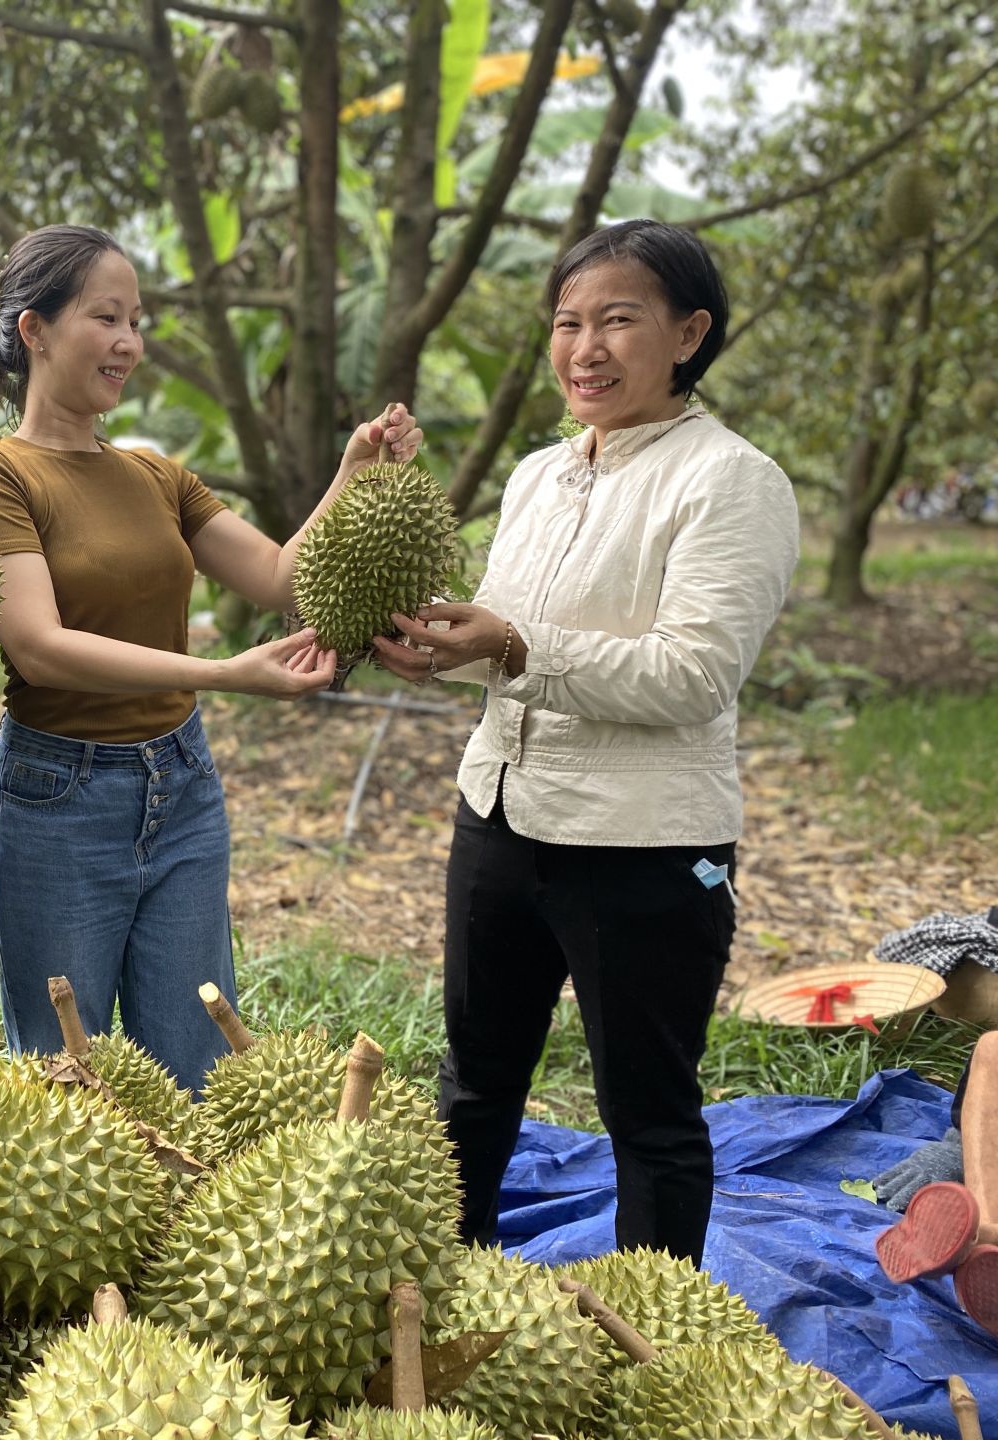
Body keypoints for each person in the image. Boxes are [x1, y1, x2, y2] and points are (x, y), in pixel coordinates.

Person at [374, 219, 799, 1263]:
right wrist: (436, 647)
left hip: (643, 848)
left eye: (619, 320)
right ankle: (435, 1303)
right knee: (472, 1088)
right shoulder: (539, 475)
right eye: (569, 323)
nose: (586, 349)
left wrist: (512, 644)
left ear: (689, 333)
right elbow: (508, 643)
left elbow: (692, 675)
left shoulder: (730, 482)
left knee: (648, 1118)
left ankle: (649, 1359)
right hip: (501, 820)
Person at [0, 223, 422, 1092]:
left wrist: (354, 472)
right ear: (34, 331)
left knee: (200, 1064)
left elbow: (282, 577)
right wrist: (225, 675)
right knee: (69, 1078)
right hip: (59, 798)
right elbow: (39, 648)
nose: (131, 343)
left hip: (183, 788)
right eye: (107, 318)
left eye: (139, 321)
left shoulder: (157, 475)